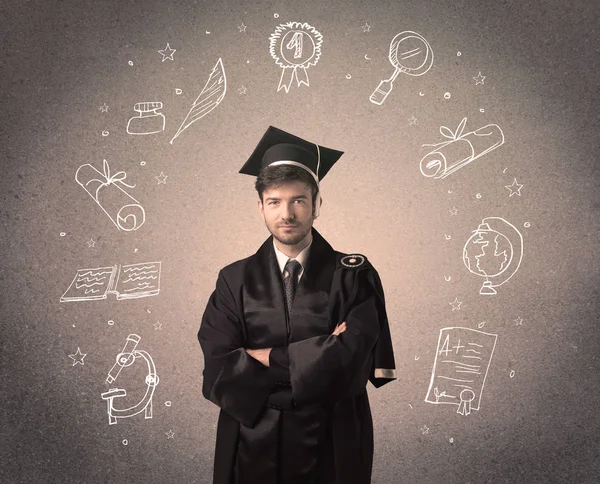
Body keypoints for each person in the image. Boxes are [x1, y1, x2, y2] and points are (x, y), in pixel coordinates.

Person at [198, 126, 396, 484]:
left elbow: (351, 363)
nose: (286, 213)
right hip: (251, 438)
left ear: (317, 204)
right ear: (260, 207)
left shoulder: (352, 276)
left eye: (298, 200)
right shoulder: (233, 279)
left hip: (332, 439)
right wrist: (321, 349)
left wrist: (263, 356)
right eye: (274, 202)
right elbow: (219, 366)